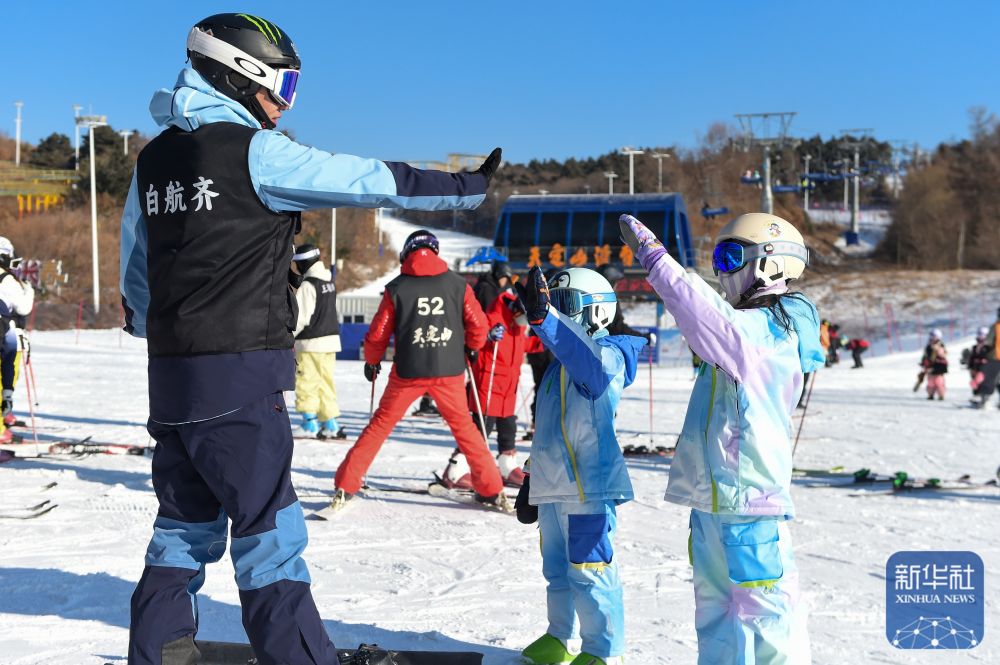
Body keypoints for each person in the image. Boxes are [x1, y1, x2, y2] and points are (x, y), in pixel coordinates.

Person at [119, 14, 501, 665]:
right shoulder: (255, 151)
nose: (283, 104)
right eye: (284, 86)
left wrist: (153, 323)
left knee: (183, 525)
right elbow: (362, 178)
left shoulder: (153, 162)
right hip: (240, 380)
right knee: (269, 531)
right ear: (244, 75)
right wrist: (464, 189)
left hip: (173, 383)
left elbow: (136, 266)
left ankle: (157, 647)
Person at [620, 212, 823, 664]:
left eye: (731, 256)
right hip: (714, 499)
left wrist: (658, 261)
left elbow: (710, 319)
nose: (722, 270)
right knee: (715, 611)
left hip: (750, 501)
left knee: (765, 613)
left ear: (771, 264)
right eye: (718, 258)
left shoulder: (770, 331)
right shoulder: (749, 327)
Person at [514, 266, 645, 665]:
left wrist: (546, 320)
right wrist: (532, 475)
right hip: (553, 486)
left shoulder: (610, 354)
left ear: (597, 311)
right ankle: (559, 636)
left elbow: (592, 368)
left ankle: (604, 651)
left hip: (589, 487)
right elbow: (552, 429)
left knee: (590, 570)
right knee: (556, 569)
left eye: (564, 304)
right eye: (552, 303)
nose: (557, 312)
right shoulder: (559, 363)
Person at [333, 230, 508, 510]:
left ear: (406, 253)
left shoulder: (396, 287)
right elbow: (478, 325)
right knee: (466, 430)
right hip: (449, 370)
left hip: (407, 372)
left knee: (379, 426)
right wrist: (473, 347)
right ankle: (490, 488)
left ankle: (346, 484)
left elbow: (378, 332)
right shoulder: (457, 284)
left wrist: (372, 360)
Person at [443, 291, 530, 488]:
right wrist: (488, 336)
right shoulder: (491, 318)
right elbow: (470, 340)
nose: (524, 323)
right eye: (524, 317)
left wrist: (548, 342)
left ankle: (507, 467)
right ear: (516, 311)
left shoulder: (519, 325)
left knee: (509, 428)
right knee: (480, 430)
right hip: (488, 386)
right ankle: (455, 470)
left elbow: (524, 345)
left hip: (508, 388)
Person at [292, 244, 346, 439]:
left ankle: (309, 424)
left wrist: (287, 336)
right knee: (325, 383)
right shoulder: (329, 282)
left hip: (310, 343)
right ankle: (330, 423)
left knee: (307, 381)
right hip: (330, 341)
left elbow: (301, 318)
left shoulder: (308, 285)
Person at [0, 237, 33, 445]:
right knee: (7, 375)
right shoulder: (7, 279)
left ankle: (5, 414)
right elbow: (23, 307)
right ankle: (3, 419)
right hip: (7, 333)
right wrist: (28, 290)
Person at [973, 309, 1000, 409]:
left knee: (989, 380)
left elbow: (988, 341)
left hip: (995, 357)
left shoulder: (996, 327)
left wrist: (984, 350)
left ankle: (985, 401)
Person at [920, 329, 948, 401]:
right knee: (931, 382)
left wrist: (938, 350)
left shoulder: (940, 345)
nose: (932, 338)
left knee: (939, 381)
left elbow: (944, 354)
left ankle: (941, 395)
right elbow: (925, 356)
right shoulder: (928, 346)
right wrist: (923, 362)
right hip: (930, 367)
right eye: (931, 336)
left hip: (939, 367)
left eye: (934, 336)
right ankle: (930, 394)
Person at [963, 326, 991, 397]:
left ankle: (982, 397)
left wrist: (984, 360)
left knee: (978, 382)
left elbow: (989, 357)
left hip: (984, 369)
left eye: (982, 334)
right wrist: (970, 366)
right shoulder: (975, 347)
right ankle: (976, 396)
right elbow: (972, 358)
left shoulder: (988, 347)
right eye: (979, 334)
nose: (981, 336)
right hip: (975, 368)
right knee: (975, 382)